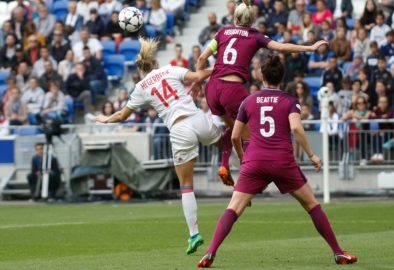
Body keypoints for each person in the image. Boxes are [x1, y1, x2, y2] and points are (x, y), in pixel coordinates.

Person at [196, 55, 357, 268]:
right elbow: (297, 129)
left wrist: (243, 160)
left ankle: (210, 252)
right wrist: (311, 155)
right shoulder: (290, 101)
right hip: (282, 161)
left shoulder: (248, 100)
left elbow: (235, 136)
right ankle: (338, 253)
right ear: (282, 77)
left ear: (261, 76)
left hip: (255, 161)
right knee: (312, 205)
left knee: (233, 208)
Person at [96, 37, 222, 255]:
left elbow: (123, 115)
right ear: (154, 63)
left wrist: (105, 119)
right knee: (224, 134)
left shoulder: (140, 88)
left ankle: (194, 234)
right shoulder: (171, 69)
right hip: (197, 118)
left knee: (186, 186)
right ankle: (236, 163)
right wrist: (221, 67)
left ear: (140, 70)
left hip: (180, 130)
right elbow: (199, 75)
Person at [195, 0, 327, 186]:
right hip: (232, 90)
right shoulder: (254, 35)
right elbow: (281, 48)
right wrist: (309, 47)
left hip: (212, 88)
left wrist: (198, 82)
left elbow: (201, 58)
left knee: (232, 129)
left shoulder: (223, 31)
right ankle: (245, 181)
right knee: (249, 137)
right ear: (253, 19)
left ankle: (224, 165)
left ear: (235, 17)